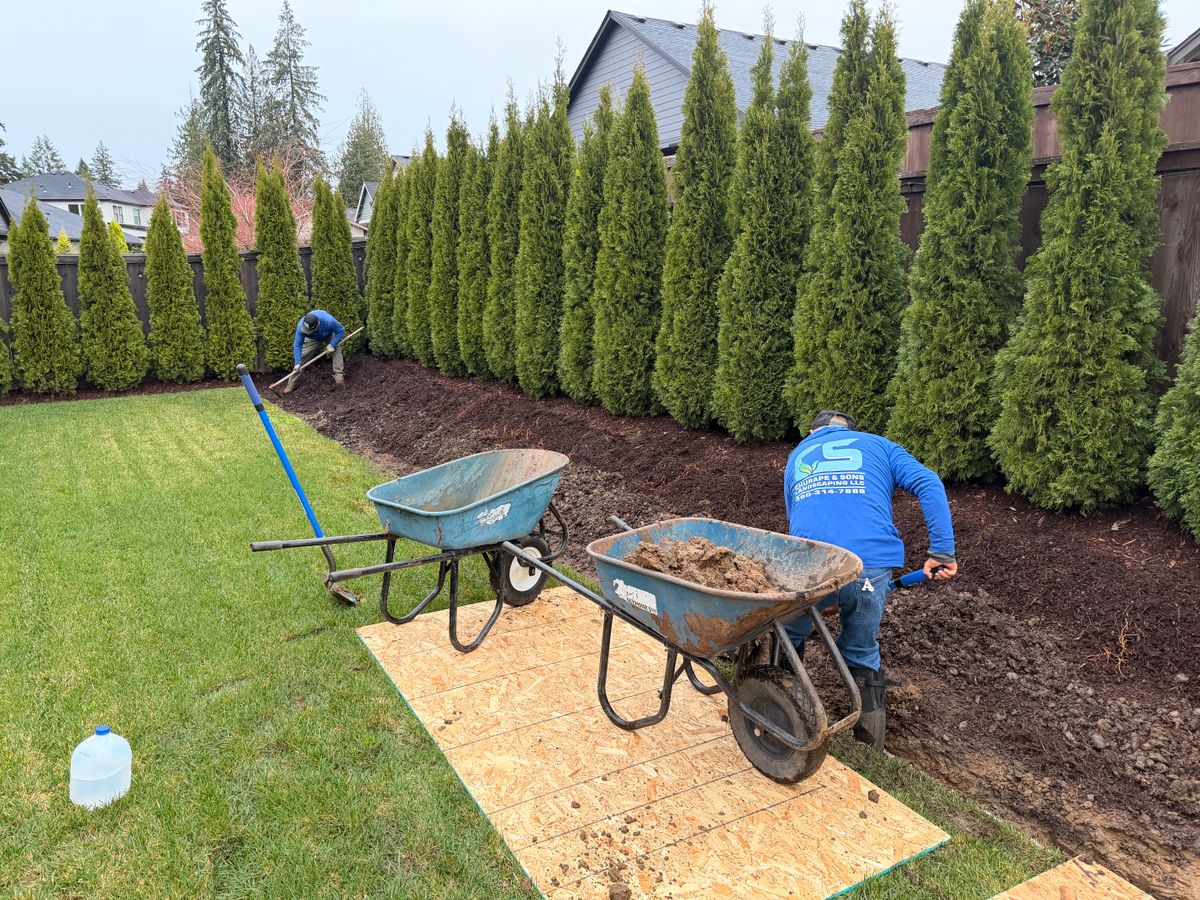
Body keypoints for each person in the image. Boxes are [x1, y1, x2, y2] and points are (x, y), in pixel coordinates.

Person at [783, 410, 957, 751]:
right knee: (862, 647)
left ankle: (780, 709)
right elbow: (929, 482)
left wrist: (825, 592)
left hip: (810, 560)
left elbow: (798, 522)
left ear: (812, 431)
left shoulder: (799, 454)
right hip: (870, 564)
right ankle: (869, 747)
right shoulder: (881, 446)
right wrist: (943, 552)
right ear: (852, 431)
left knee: (787, 633)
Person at [284, 310, 345, 393]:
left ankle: (339, 378)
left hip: (329, 333)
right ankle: (291, 384)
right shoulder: (301, 327)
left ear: (318, 324)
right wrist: (298, 362)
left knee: (337, 348)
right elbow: (297, 345)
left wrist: (332, 344)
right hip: (312, 339)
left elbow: (341, 330)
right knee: (302, 357)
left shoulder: (328, 321)